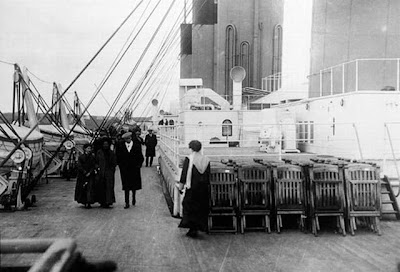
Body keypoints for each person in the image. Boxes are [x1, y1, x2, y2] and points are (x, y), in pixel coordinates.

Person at [177, 140, 210, 237]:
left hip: (192, 187)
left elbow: (184, 174)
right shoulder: (206, 159)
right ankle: (199, 227)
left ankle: (192, 228)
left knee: (188, 206)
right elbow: (208, 175)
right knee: (200, 207)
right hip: (203, 188)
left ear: (191, 148)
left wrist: (181, 186)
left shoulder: (189, 159)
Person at [116, 129, 144, 209]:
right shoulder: (120, 145)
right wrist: (120, 165)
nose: (127, 140)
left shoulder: (137, 145)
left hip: (134, 169)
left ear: (131, 138)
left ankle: (134, 198)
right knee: (126, 186)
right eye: (126, 139)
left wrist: (139, 165)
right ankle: (127, 202)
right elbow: (118, 156)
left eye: (128, 139)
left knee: (134, 185)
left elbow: (140, 157)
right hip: (125, 169)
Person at [95, 137, 117, 208]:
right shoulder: (99, 152)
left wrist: (112, 170)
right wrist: (97, 168)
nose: (105, 146)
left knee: (109, 187)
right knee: (101, 186)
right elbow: (96, 161)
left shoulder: (111, 153)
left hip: (109, 172)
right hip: (101, 172)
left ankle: (109, 201)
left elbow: (114, 162)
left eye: (107, 144)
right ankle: (102, 201)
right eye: (104, 144)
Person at [74, 143, 96, 208]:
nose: (89, 150)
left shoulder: (92, 157)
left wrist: (90, 172)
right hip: (82, 175)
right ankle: (84, 201)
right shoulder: (81, 157)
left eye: (90, 148)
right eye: (88, 148)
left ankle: (89, 201)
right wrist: (84, 172)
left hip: (90, 174)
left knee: (90, 188)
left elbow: (93, 165)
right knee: (83, 188)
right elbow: (79, 165)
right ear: (85, 149)